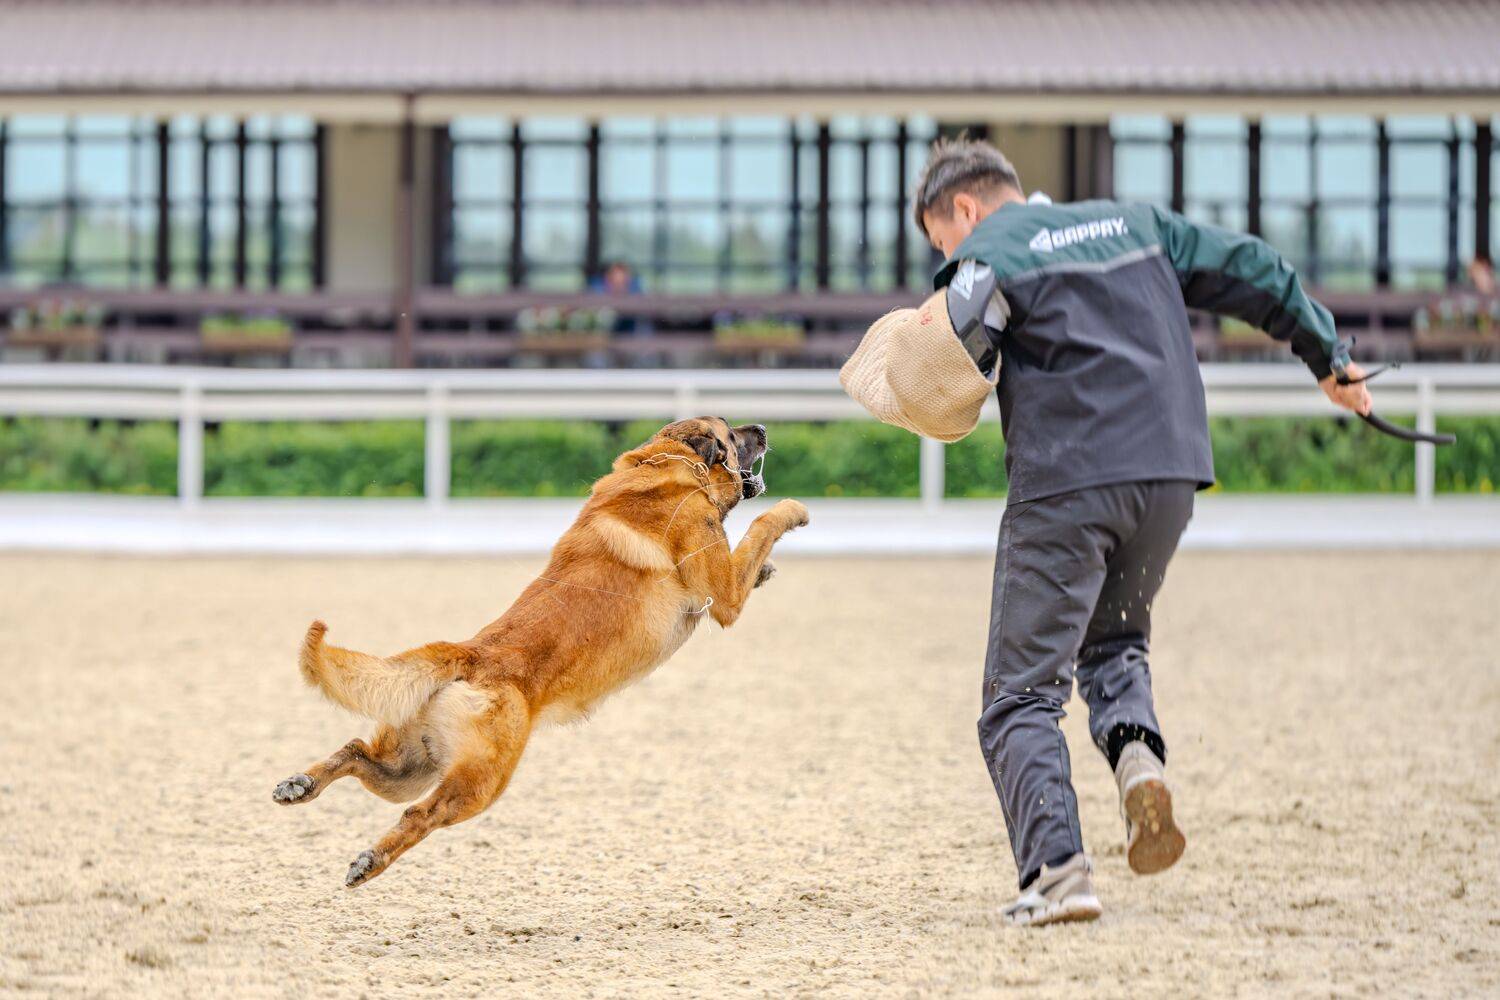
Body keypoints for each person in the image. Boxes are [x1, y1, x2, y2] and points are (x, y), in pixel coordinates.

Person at [841, 137, 1373, 927]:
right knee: (1114, 642)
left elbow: (957, 349)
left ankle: (1057, 873)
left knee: (1018, 697)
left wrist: (924, 337)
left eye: (940, 243)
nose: (947, 256)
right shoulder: (1136, 221)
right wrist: (1326, 353)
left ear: (964, 208)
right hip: (1168, 474)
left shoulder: (993, 248)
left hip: (1069, 481)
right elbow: (1253, 265)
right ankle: (1137, 764)